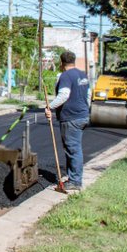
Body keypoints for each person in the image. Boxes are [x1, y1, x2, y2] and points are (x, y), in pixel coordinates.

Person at [44, 49, 91, 193]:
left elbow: (64, 95)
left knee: (73, 149)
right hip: (82, 116)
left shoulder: (66, 76)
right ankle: (72, 177)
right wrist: (84, 109)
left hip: (71, 117)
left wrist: (49, 107)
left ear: (62, 62)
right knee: (75, 147)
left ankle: (75, 181)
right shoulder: (82, 75)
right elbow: (89, 95)